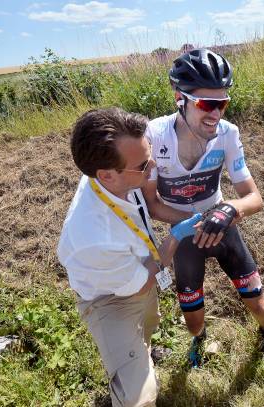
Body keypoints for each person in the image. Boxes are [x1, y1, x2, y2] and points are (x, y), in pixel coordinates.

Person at [143, 48, 264, 368]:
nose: (216, 113)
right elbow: (151, 203)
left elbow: (254, 197)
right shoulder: (154, 135)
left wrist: (230, 209)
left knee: (260, 306)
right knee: (193, 319)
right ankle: (199, 340)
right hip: (185, 234)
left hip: (222, 225)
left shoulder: (228, 134)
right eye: (207, 104)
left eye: (223, 103)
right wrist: (197, 220)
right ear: (180, 97)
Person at [57, 108, 201, 407]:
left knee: (148, 323)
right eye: (143, 166)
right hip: (111, 299)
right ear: (107, 175)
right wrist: (174, 236)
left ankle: (143, 351)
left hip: (136, 274)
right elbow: (143, 282)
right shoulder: (94, 238)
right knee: (140, 399)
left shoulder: (114, 177)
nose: (152, 170)